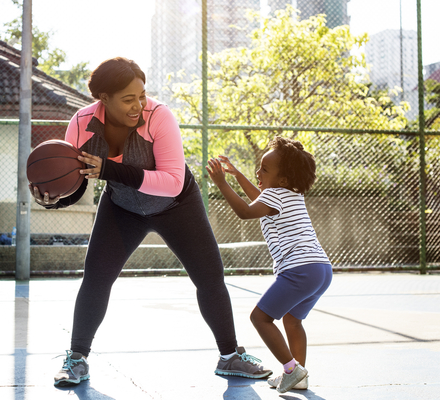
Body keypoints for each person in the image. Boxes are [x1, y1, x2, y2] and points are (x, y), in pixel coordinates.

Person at [28, 57, 272, 386]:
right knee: (96, 278)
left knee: (210, 276)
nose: (138, 105)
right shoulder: (81, 124)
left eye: (142, 95)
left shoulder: (159, 117)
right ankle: (76, 359)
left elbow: (171, 181)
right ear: (104, 99)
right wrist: (57, 199)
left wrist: (110, 170)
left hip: (177, 204)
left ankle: (230, 357)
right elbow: (81, 181)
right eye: (128, 99)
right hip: (122, 207)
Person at [206, 136, 333, 393]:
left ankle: (290, 369)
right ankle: (299, 375)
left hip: (298, 269)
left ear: (283, 180)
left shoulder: (275, 197)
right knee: (293, 320)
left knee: (260, 318)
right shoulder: (289, 195)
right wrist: (238, 174)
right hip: (321, 269)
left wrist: (222, 182)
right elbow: (257, 197)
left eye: (264, 169)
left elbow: (245, 210)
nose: (258, 172)